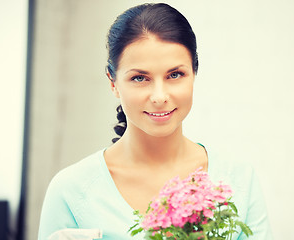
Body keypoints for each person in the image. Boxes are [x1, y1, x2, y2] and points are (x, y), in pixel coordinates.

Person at [38, 3, 273, 240]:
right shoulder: (71, 192)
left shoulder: (239, 181)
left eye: (175, 75)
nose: (159, 97)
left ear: (194, 73)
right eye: (140, 78)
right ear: (113, 82)